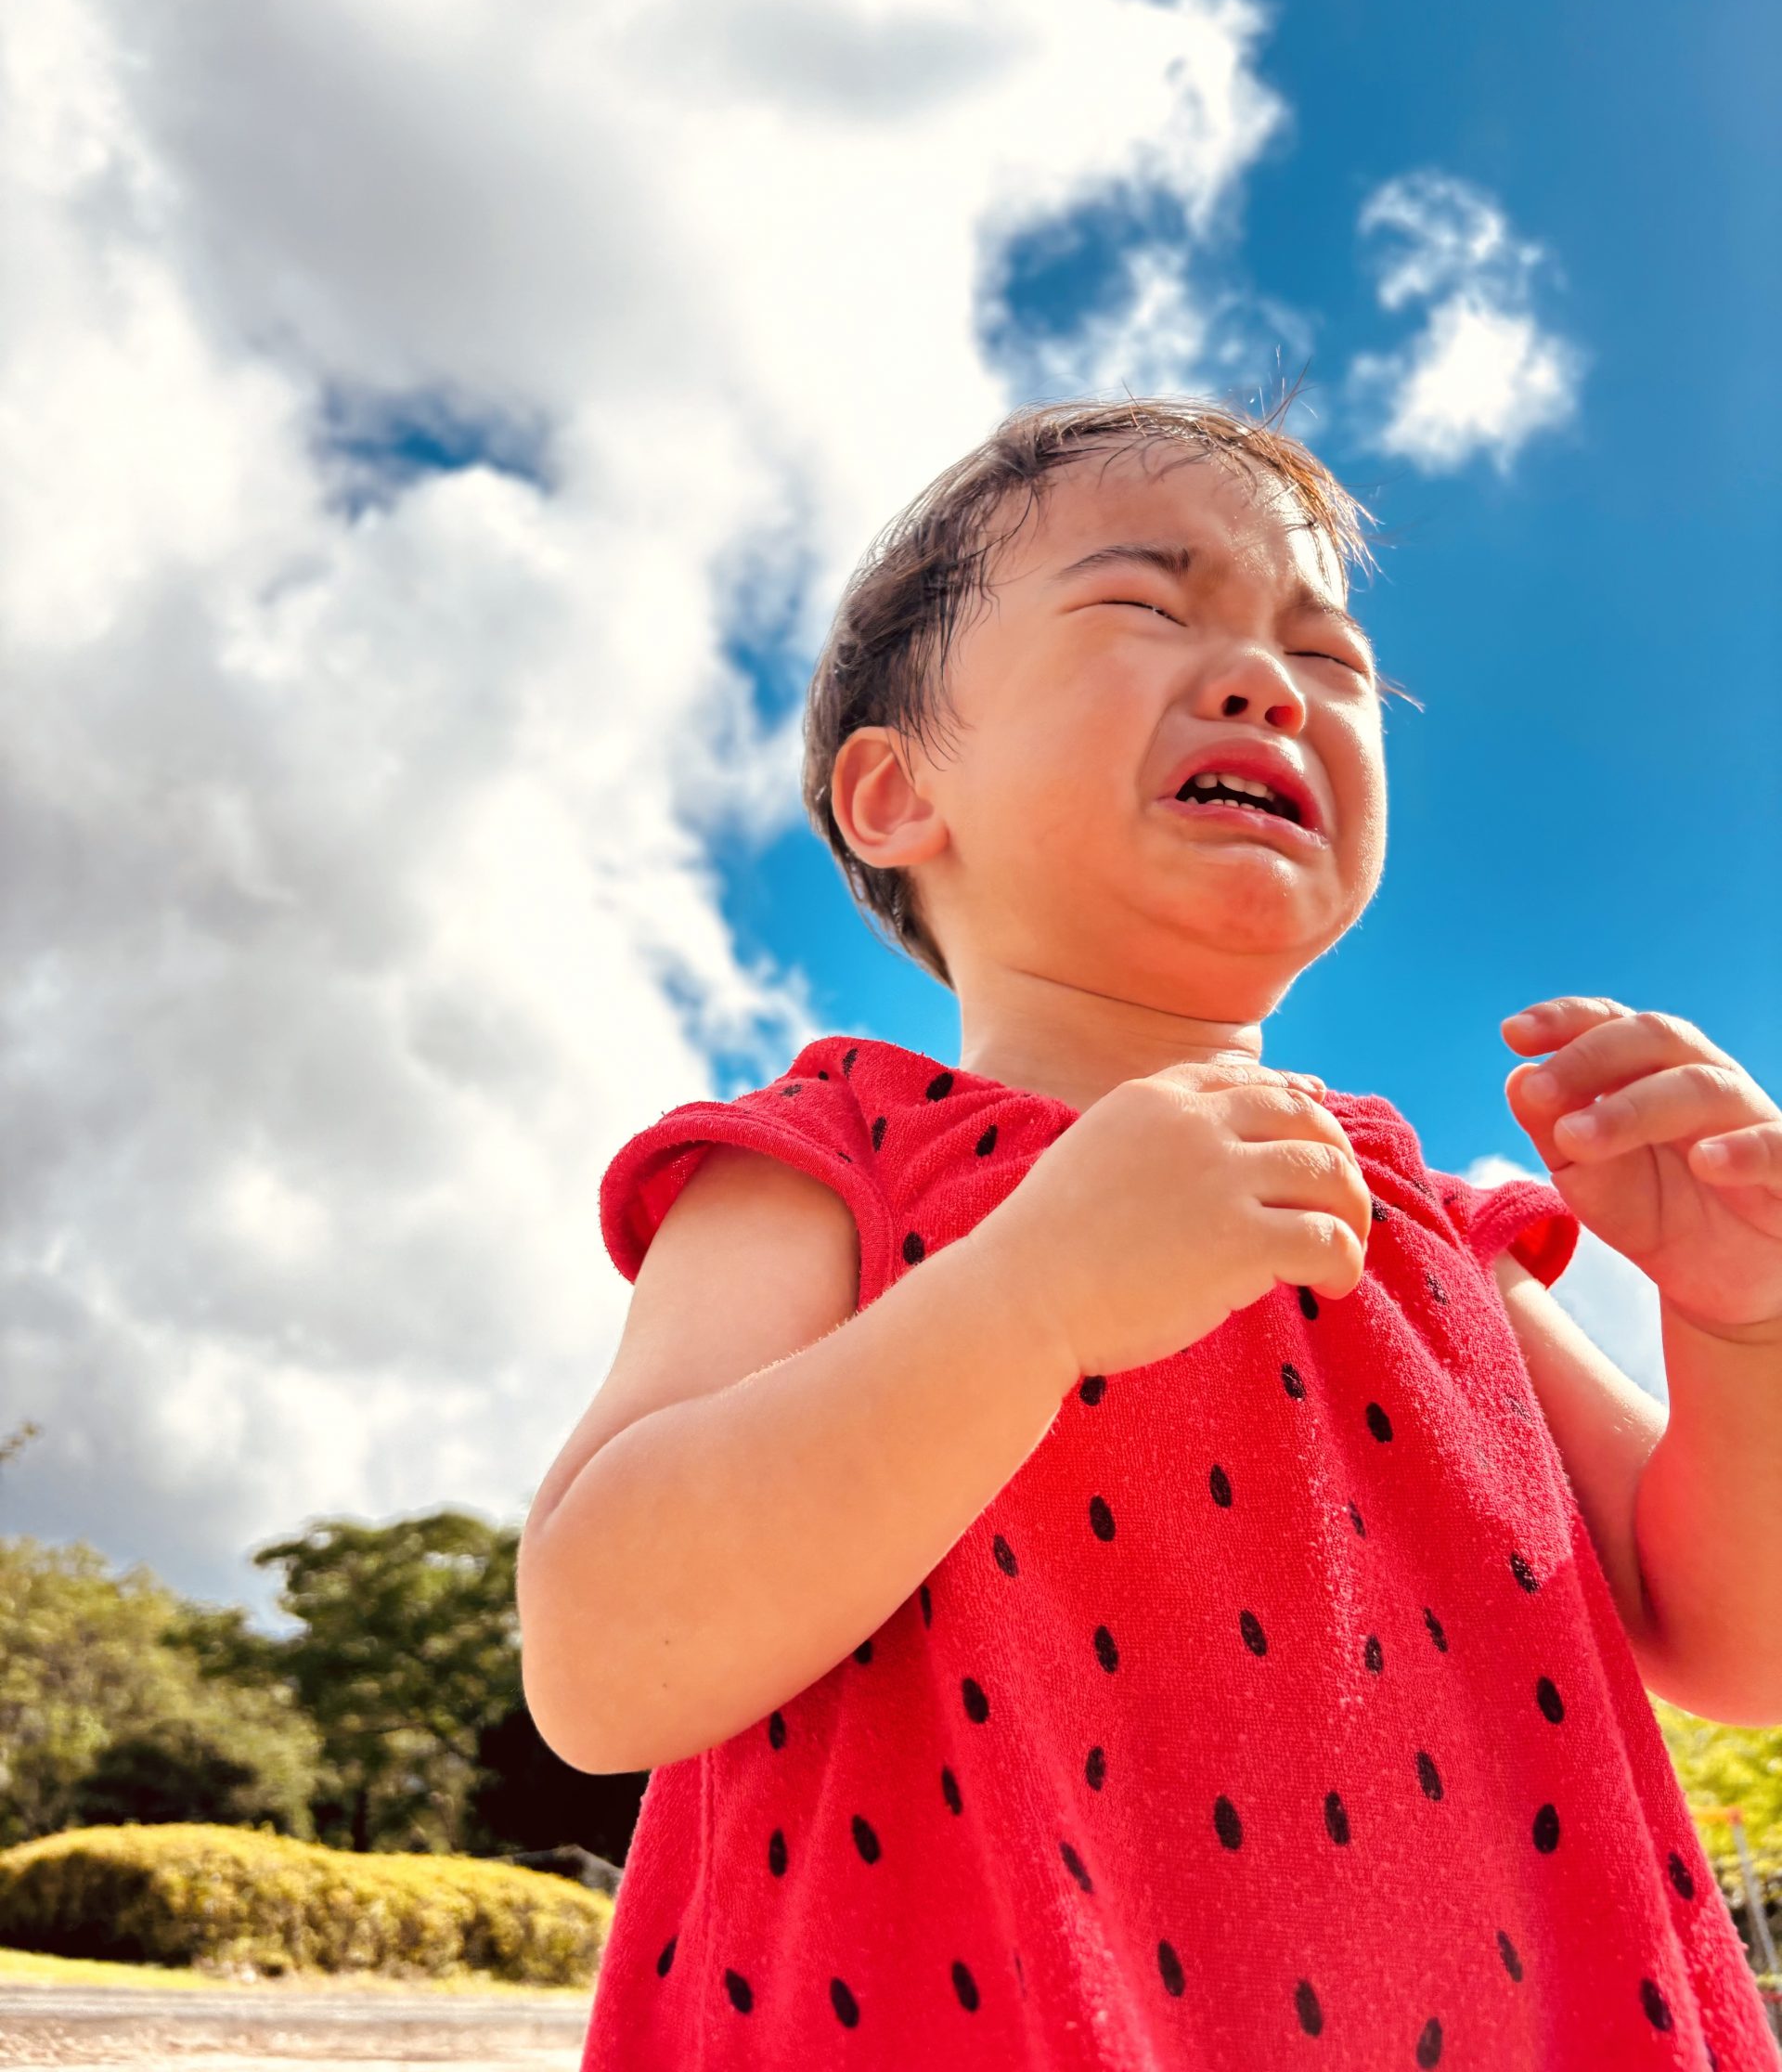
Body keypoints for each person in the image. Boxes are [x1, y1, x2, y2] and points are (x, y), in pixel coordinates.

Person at [518, 394, 1782, 2069]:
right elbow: (604, 1662)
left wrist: (1740, 1333)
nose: (1272, 677)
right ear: (897, 795)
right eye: (1146, 604)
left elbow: (1736, 1641)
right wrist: (1029, 1298)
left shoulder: (1419, 1222)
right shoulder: (829, 1165)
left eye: (1331, 657)